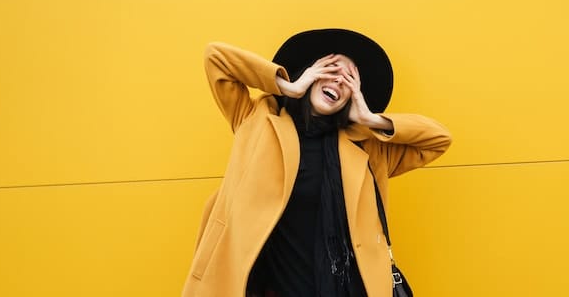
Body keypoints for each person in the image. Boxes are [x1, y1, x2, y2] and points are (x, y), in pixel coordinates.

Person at [182, 28, 452, 297]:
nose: (337, 81)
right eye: (331, 70)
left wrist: (371, 118)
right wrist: (287, 85)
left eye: (348, 78)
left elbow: (438, 139)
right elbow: (215, 57)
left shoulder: (368, 149)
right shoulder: (257, 118)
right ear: (311, 73)